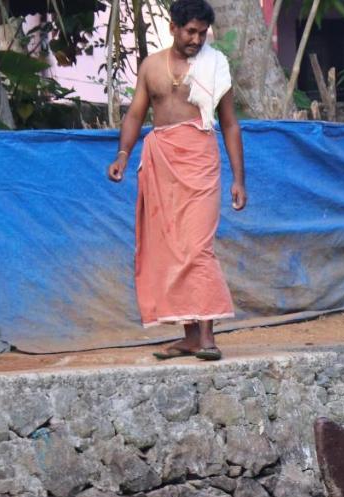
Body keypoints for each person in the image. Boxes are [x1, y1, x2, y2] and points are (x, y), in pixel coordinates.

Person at [106, 0, 246, 362]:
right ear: (173, 28)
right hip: (161, 161)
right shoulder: (151, 66)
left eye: (202, 33)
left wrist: (239, 179)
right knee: (170, 249)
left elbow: (229, 123)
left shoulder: (216, 66)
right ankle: (188, 338)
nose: (197, 39)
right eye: (190, 31)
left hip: (200, 159)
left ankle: (208, 336)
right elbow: (136, 113)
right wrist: (123, 154)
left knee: (198, 247)